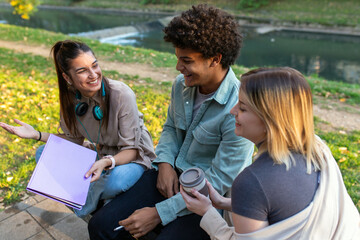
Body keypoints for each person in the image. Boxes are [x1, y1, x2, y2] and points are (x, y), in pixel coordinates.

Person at [88, 4, 254, 240]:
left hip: (205, 197)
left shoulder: (239, 109)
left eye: (186, 61)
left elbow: (218, 180)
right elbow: (171, 128)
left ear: (215, 59)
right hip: (168, 175)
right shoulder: (181, 85)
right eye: (178, 59)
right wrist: (165, 163)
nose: (178, 68)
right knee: (101, 225)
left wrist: (159, 213)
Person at [180, 67, 360, 239]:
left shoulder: (252, 182)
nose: (233, 111)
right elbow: (277, 208)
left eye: (242, 108)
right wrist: (221, 202)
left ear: (270, 122)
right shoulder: (317, 148)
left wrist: (207, 212)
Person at [0, 40, 156, 218]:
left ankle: (84, 203)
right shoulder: (70, 99)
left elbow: (131, 151)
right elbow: (74, 140)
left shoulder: (121, 94)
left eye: (94, 65)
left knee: (117, 180)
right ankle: (101, 195)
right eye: (82, 71)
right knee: (43, 153)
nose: (93, 75)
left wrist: (106, 163)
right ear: (67, 78)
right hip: (101, 153)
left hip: (132, 158)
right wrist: (36, 134)